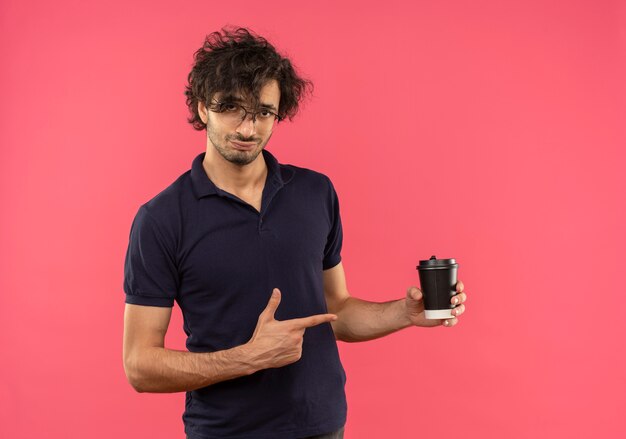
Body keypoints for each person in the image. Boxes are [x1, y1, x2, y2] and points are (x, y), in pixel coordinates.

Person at [122, 26, 467, 439]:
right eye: (231, 108)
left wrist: (404, 313)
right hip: (227, 432)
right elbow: (140, 365)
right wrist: (248, 358)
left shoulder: (315, 192)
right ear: (202, 108)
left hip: (323, 426)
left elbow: (335, 309)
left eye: (264, 112)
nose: (248, 129)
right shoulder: (161, 219)